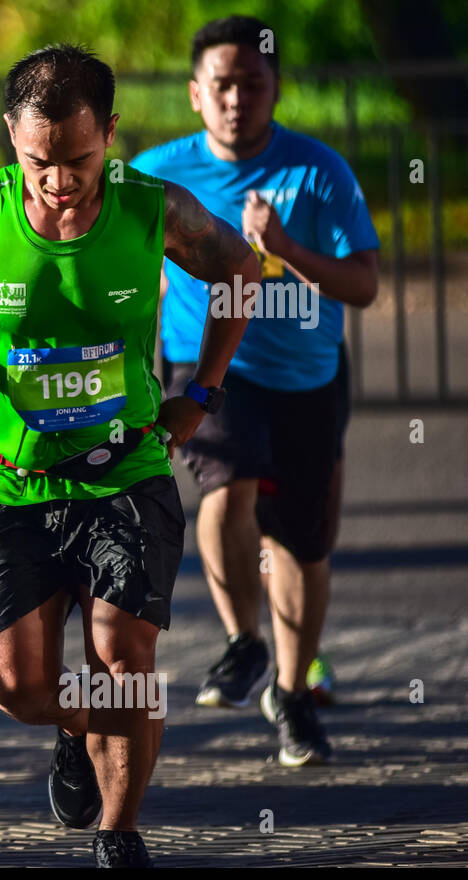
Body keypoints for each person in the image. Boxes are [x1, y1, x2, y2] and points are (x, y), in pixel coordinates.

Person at [0, 44, 258, 867]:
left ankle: (119, 833)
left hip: (125, 469)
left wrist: (199, 393)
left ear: (111, 132)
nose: (58, 179)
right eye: (37, 161)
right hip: (12, 478)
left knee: (124, 658)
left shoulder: (152, 208)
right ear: (10, 137)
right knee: (23, 687)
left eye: (77, 159)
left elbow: (242, 272)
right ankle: (72, 725)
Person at [131, 15, 379, 766]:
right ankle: (243, 643)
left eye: (254, 84)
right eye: (223, 84)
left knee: (303, 544)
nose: (238, 98)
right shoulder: (153, 176)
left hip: (308, 378)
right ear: (195, 94)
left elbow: (365, 286)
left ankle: (294, 695)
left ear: (275, 90)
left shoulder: (319, 170)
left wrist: (288, 250)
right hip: (213, 371)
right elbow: (118, 280)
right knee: (227, 486)